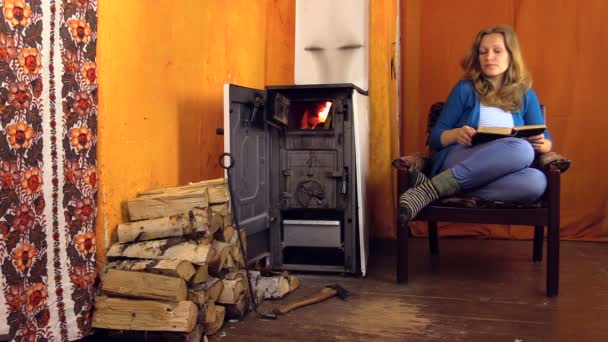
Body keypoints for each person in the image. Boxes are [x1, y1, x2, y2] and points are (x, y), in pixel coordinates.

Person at [399, 25, 552, 223]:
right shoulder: (465, 89)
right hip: (461, 158)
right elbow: (436, 138)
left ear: (511, 55)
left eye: (497, 51)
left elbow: (546, 141)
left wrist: (542, 144)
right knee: (521, 149)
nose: (489, 57)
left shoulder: (526, 95)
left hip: (498, 169)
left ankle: (432, 189)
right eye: (483, 52)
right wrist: (455, 134)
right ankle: (439, 186)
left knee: (536, 182)